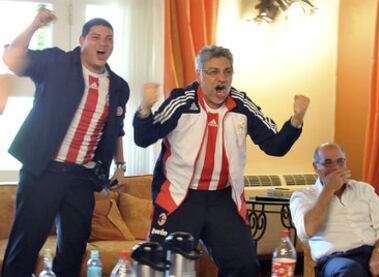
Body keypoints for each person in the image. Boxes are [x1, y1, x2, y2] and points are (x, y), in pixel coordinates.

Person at [133, 45, 310, 276]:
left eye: (227, 72)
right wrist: (145, 108)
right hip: (181, 198)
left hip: (222, 200)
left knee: (245, 267)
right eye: (213, 72)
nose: (222, 79)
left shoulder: (241, 105)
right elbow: (143, 138)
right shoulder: (181, 101)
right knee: (164, 267)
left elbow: (275, 146)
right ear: (199, 74)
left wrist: (296, 120)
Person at [1, 9, 129, 277]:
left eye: (109, 38)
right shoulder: (57, 62)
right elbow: (12, 58)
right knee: (25, 245)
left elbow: (116, 128)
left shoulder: (118, 86)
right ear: (81, 41)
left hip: (82, 177)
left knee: (73, 249)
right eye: (95, 37)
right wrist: (34, 24)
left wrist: (121, 163)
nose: (102, 43)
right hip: (43, 171)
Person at [290, 142, 379, 277]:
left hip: (374, 254)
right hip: (338, 259)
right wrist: (329, 189)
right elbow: (307, 229)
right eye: (327, 162)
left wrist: (378, 254)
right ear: (316, 167)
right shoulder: (303, 196)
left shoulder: (364, 189)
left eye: (340, 161)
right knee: (350, 271)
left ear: (346, 163)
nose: (336, 168)